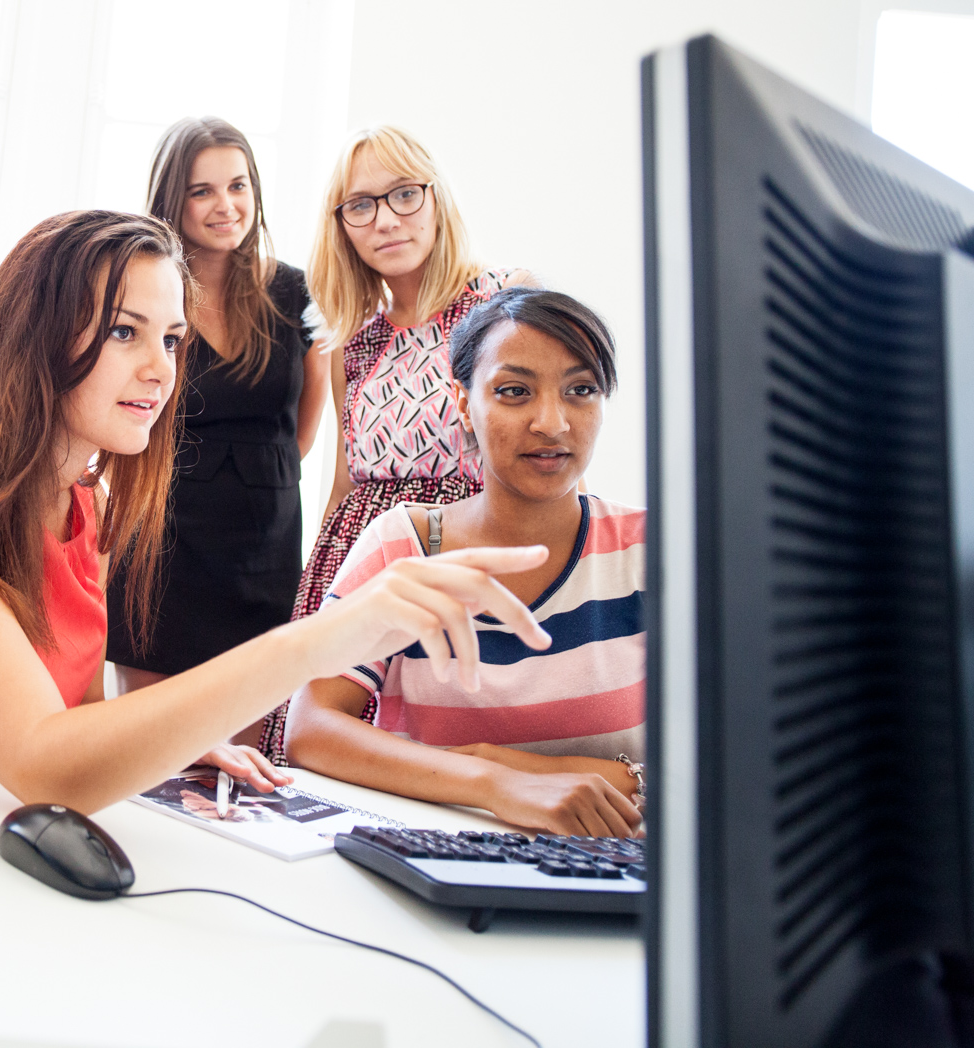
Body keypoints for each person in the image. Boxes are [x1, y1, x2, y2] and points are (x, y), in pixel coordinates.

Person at [0, 210, 555, 812]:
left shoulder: (83, 502)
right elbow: (44, 760)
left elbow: (79, 724)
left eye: (173, 338)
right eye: (125, 331)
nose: (162, 371)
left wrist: (162, 744)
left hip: (1, 840)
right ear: (35, 336)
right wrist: (317, 642)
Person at [283, 289, 646, 838]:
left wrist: (539, 770)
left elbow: (738, 749)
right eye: (514, 392)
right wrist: (491, 782)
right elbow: (310, 727)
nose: (551, 422)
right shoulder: (403, 546)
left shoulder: (651, 551)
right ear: (462, 403)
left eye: (581, 390)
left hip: (614, 862)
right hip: (436, 853)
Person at [260, 126, 532, 757]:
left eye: (404, 194)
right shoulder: (353, 340)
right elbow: (343, 486)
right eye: (361, 205)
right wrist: (317, 592)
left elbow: (544, 452)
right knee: (328, 757)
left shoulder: (502, 298)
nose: (386, 220)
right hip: (360, 560)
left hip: (462, 552)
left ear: (436, 199)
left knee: (443, 750)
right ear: (343, 226)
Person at [103, 118, 329, 731]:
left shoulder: (295, 291)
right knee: (146, 747)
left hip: (265, 549)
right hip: (162, 546)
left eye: (239, 185)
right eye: (202, 190)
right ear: (172, 199)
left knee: (249, 753)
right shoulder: (144, 289)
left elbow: (300, 432)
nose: (226, 206)